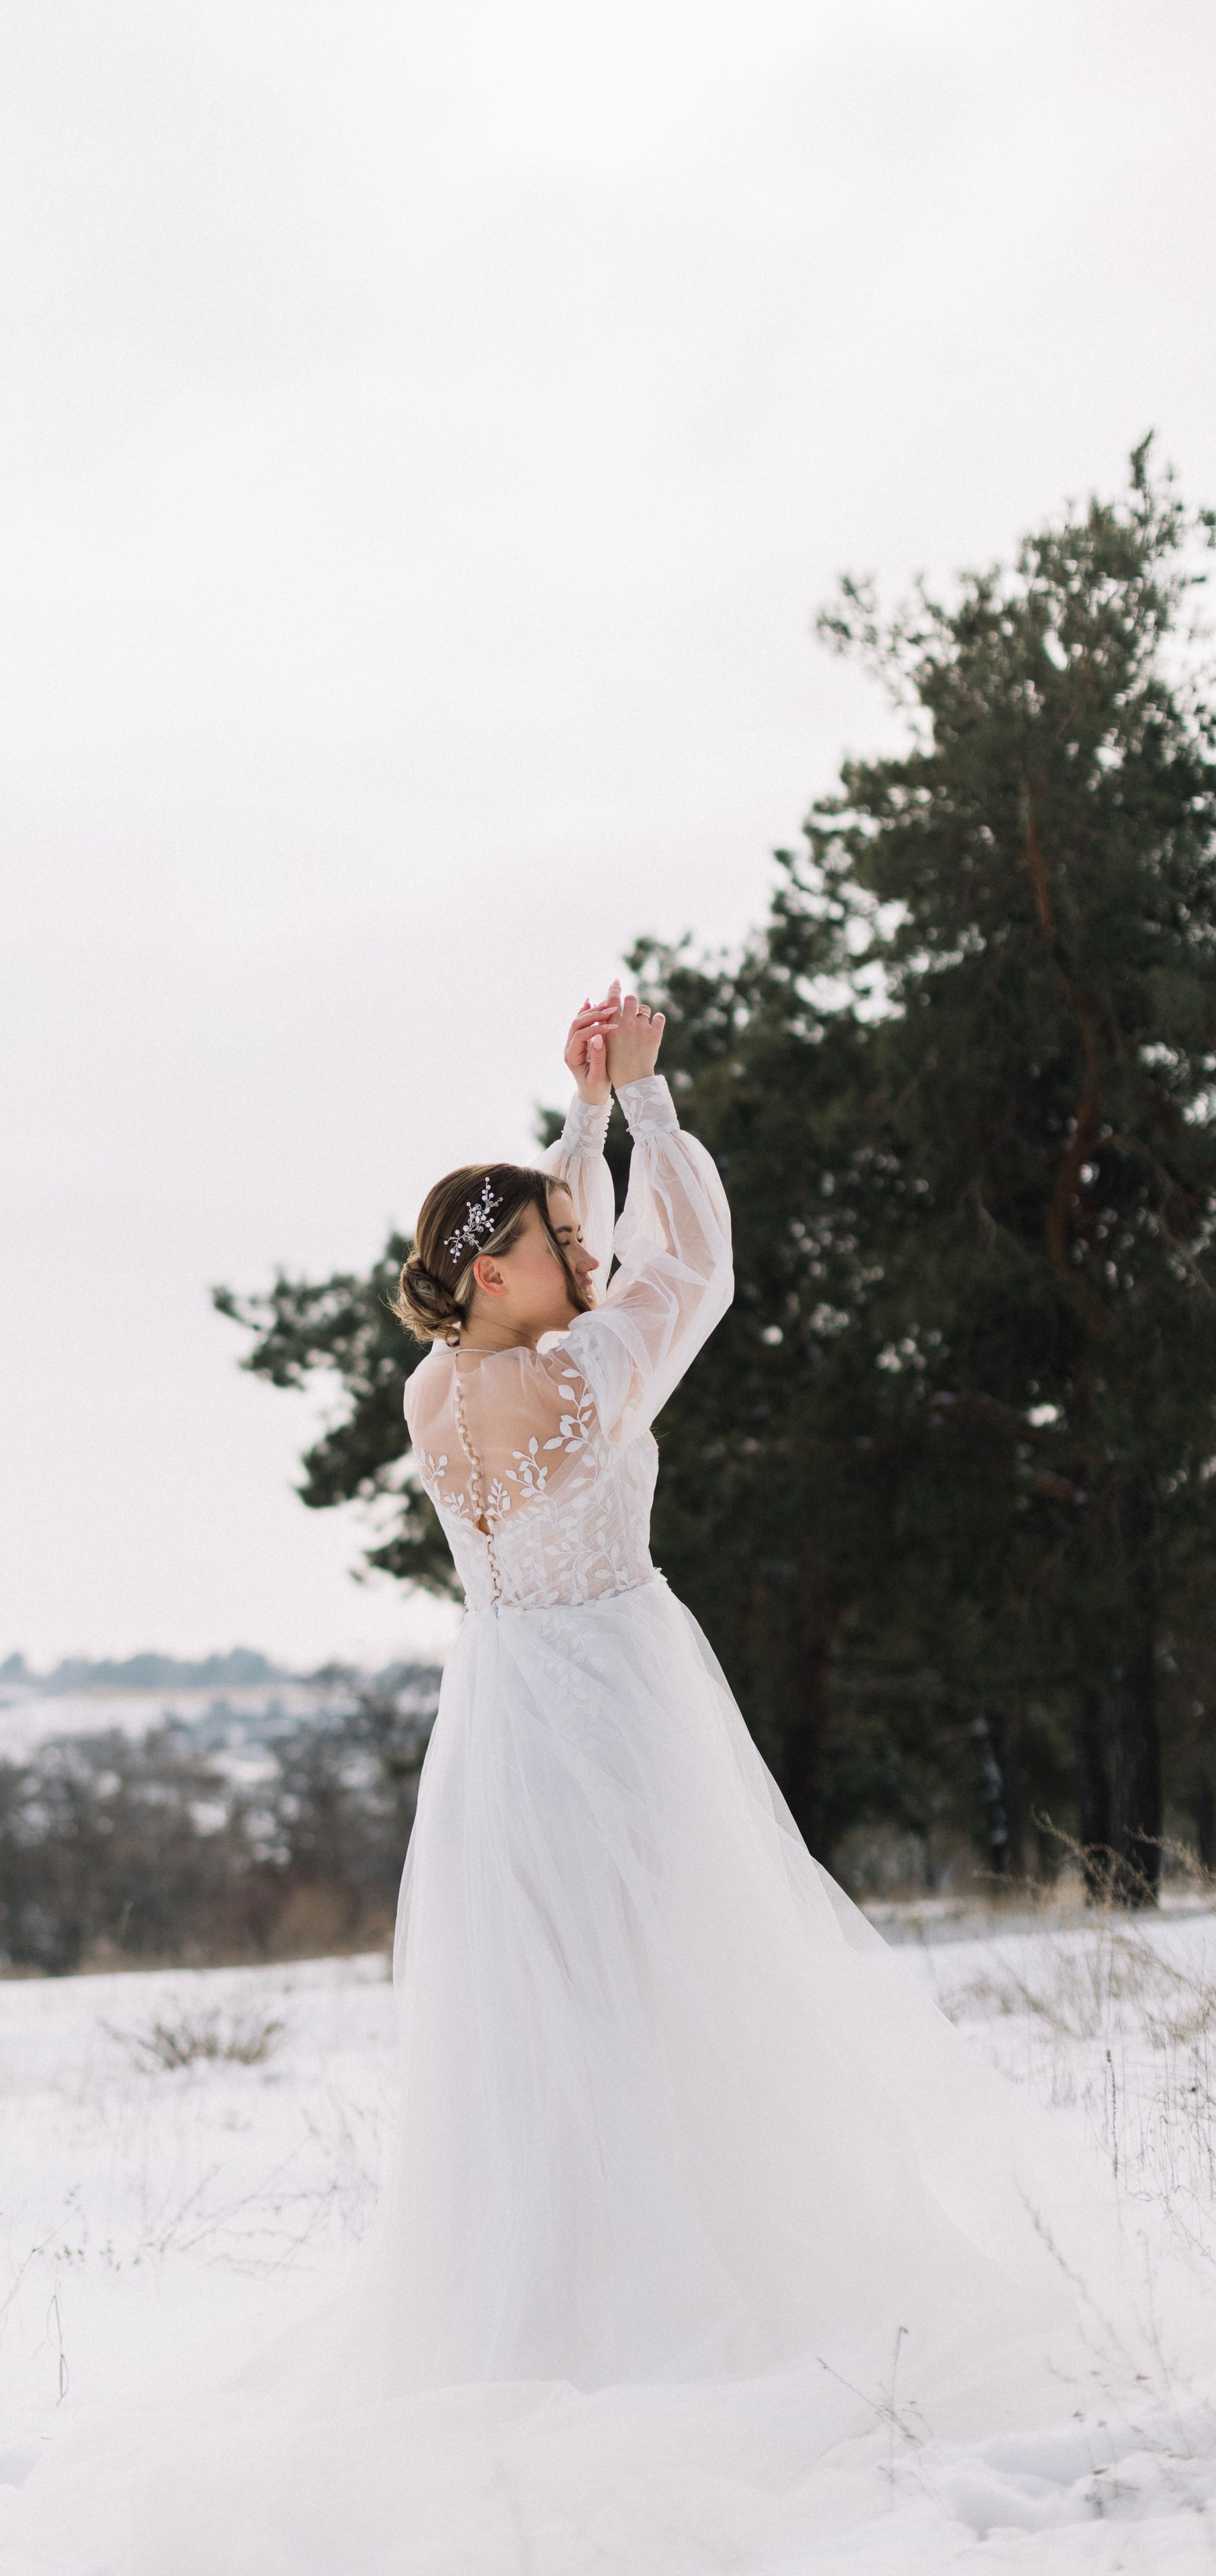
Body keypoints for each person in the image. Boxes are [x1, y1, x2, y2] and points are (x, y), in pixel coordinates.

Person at [343, 983, 1074, 2393]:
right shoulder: (590, 1377)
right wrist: (647, 1105)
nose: (585, 1252)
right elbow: (692, 1269)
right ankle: (685, 2291)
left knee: (542, 2008)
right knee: (675, 1985)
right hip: (616, 1701)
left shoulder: (432, 1394)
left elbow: (567, 1247)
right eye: (559, 1243)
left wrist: (577, 1116)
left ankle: (545, 2300)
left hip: (497, 1720)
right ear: (497, 1273)